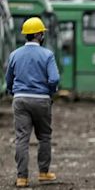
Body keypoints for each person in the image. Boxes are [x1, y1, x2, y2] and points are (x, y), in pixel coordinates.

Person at [6, 17, 60, 187]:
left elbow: (8, 79)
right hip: (42, 99)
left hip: (20, 99)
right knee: (44, 137)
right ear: (38, 34)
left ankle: (22, 178)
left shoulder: (14, 54)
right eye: (42, 33)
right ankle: (44, 173)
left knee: (22, 138)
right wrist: (50, 92)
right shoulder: (47, 54)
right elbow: (54, 78)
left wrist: (12, 91)